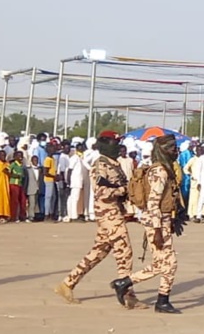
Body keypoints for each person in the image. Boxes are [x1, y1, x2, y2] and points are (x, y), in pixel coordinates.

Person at [54, 131, 142, 308]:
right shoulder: (100, 165)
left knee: (98, 252)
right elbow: (102, 192)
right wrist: (124, 190)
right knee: (124, 252)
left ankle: (68, 283)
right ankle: (127, 295)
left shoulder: (113, 164)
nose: (118, 146)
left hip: (114, 211)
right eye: (115, 143)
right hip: (108, 213)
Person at [114, 134, 183, 314]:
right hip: (156, 223)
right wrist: (158, 230)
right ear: (164, 151)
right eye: (173, 149)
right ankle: (129, 285)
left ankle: (159, 298)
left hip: (163, 221)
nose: (176, 152)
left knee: (166, 264)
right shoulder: (159, 172)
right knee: (169, 263)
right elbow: (153, 203)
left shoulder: (165, 170)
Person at [67, 143, 87, 220]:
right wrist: (68, 182)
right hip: (75, 181)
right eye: (80, 148)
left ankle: (72, 215)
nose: (81, 150)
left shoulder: (80, 158)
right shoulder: (74, 158)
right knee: (74, 198)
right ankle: (74, 216)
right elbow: (70, 170)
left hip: (79, 180)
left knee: (74, 198)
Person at [184, 144, 203, 221]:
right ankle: (192, 214)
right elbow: (185, 168)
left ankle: (200, 214)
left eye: (201, 150)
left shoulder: (203, 159)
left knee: (201, 198)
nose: (200, 152)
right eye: (198, 150)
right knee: (193, 198)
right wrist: (190, 175)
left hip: (202, 181)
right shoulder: (193, 159)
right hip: (194, 181)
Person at [117, 144, 135, 217]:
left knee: (129, 197)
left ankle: (130, 213)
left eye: (124, 151)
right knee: (121, 197)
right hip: (121, 181)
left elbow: (132, 169)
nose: (123, 153)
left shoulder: (130, 160)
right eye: (122, 151)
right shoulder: (118, 160)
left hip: (129, 181)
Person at [8, 151, 26, 223]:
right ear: (15, 157)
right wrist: (14, 175)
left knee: (23, 201)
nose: (20, 157)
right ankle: (13, 217)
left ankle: (22, 216)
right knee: (14, 201)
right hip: (14, 184)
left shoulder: (21, 165)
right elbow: (6, 171)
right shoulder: (13, 164)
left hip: (20, 184)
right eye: (19, 156)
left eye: (21, 156)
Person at [25, 154, 41, 221]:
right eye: (34, 160)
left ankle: (36, 215)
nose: (36, 162)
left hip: (37, 188)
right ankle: (31, 216)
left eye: (37, 160)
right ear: (31, 161)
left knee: (36, 203)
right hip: (30, 188)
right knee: (32, 203)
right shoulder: (28, 169)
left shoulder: (39, 169)